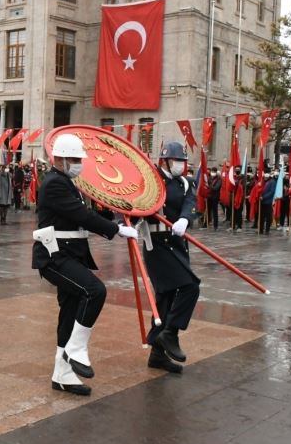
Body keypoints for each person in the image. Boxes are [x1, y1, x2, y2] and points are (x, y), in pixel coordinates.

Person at [32, 133, 133, 396]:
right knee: (94, 291)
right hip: (54, 256)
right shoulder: (55, 183)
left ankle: (62, 374)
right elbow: (80, 215)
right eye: (75, 159)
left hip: (70, 255)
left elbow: (85, 215)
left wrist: (116, 213)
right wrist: (115, 229)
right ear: (62, 159)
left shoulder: (67, 182)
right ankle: (75, 351)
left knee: (70, 310)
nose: (79, 163)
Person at [136, 142, 201, 375]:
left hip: (177, 243)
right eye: (177, 160)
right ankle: (170, 333)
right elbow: (134, 205)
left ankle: (157, 354)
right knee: (191, 286)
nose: (180, 165)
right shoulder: (151, 181)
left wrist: (185, 218)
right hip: (157, 245)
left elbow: (190, 203)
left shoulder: (185, 182)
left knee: (166, 297)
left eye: (183, 161)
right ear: (164, 161)